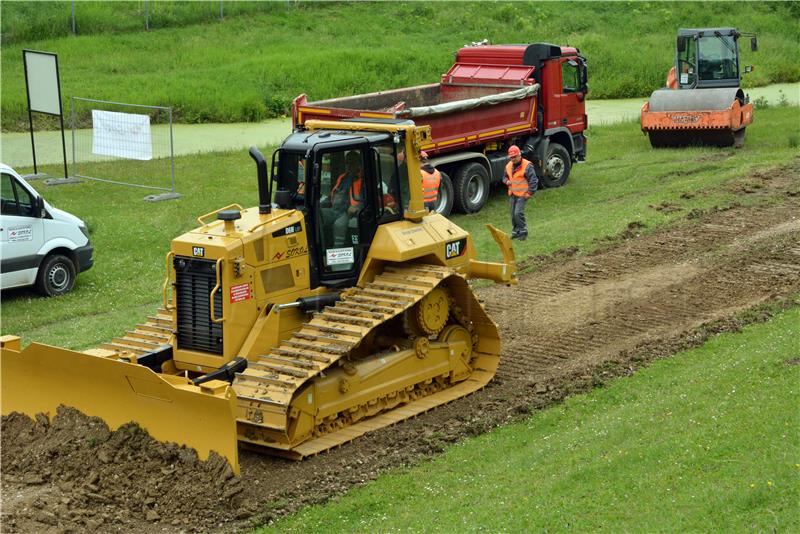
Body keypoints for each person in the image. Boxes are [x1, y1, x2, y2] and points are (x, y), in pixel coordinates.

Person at [329, 151, 364, 246]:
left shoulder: (363, 180)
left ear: (358, 163)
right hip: (334, 209)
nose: (349, 166)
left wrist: (358, 207)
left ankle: (337, 252)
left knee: (339, 224)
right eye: (347, 163)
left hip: (348, 211)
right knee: (318, 216)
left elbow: (366, 199)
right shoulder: (342, 177)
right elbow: (334, 193)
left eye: (352, 163)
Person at [503, 145, 537, 240]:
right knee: (513, 215)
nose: (513, 159)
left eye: (515, 157)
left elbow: (533, 181)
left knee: (518, 213)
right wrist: (506, 181)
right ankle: (516, 232)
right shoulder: (508, 166)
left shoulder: (527, 166)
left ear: (519, 155)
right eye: (511, 157)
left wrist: (529, 193)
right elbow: (504, 177)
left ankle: (523, 232)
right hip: (513, 194)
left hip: (523, 195)